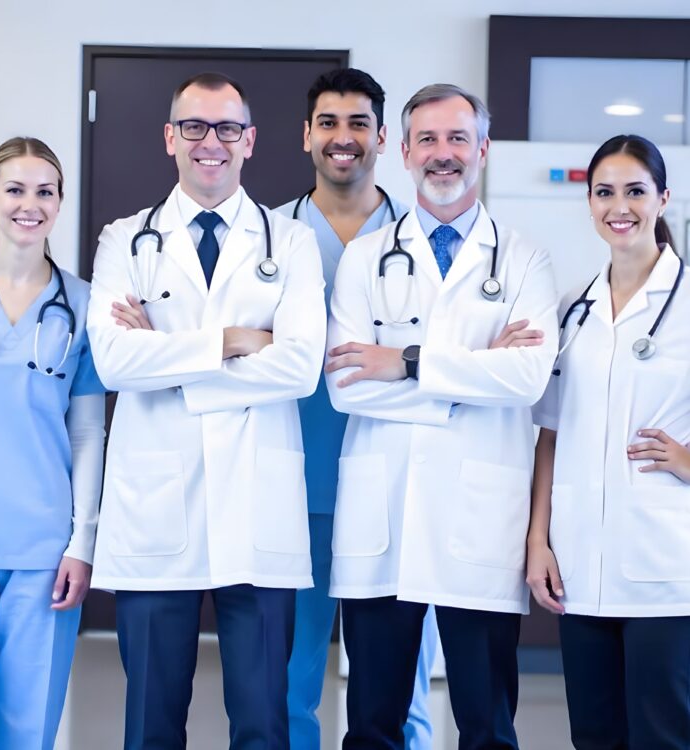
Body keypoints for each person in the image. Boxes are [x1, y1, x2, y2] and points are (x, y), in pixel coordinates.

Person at [87, 72, 326, 750]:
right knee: (152, 723)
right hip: (159, 510)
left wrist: (169, 356)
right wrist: (231, 343)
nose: (210, 142)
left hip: (258, 512)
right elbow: (114, 362)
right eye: (194, 126)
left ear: (249, 140)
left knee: (262, 723)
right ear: (170, 138)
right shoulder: (124, 240)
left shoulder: (291, 243)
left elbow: (302, 367)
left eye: (226, 128)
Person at [325, 83, 558, 749]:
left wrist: (403, 359)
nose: (443, 153)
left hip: (479, 521)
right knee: (371, 725)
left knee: (487, 727)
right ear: (403, 151)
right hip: (386, 512)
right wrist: (473, 368)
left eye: (458, 138)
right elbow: (346, 384)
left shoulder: (523, 258)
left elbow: (526, 377)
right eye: (427, 139)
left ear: (483, 150)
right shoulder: (366, 258)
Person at [278, 67, 439, 750]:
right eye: (328, 123)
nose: (343, 138)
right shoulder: (268, 238)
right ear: (305, 135)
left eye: (358, 125)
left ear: (382, 138)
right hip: (295, 481)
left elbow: (458, 356)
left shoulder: (430, 241)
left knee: (404, 681)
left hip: (399, 482)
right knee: (290, 676)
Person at [0, 137, 105, 749]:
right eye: (14, 189)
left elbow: (88, 431)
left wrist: (82, 542)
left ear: (59, 203)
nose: (28, 205)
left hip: (42, 546)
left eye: (44, 192)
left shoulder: (83, 305)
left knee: (26, 727)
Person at [528, 134, 690, 750]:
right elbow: (550, 433)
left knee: (663, 734)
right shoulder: (572, 308)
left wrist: (685, 459)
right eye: (604, 193)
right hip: (580, 561)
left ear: (662, 198)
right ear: (589, 202)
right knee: (594, 734)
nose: (618, 206)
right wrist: (539, 539)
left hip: (665, 565)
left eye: (635, 191)